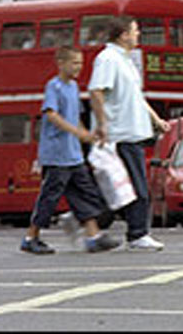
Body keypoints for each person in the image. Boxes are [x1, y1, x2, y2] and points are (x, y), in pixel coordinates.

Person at [20, 46, 120, 254]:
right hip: (56, 155)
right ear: (61, 63)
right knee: (49, 197)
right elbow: (52, 115)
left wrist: (89, 136)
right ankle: (31, 237)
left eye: (81, 63)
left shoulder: (74, 87)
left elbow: (75, 118)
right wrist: (77, 133)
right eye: (74, 63)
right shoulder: (54, 87)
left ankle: (94, 237)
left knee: (87, 193)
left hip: (74, 155)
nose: (79, 67)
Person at [88, 16, 171, 251]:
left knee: (116, 188)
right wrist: (103, 124)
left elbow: (136, 97)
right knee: (136, 187)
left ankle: (81, 219)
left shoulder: (125, 60)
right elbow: (96, 92)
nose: (138, 35)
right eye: (135, 31)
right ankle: (137, 233)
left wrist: (155, 120)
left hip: (132, 131)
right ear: (123, 35)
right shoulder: (107, 59)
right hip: (118, 134)